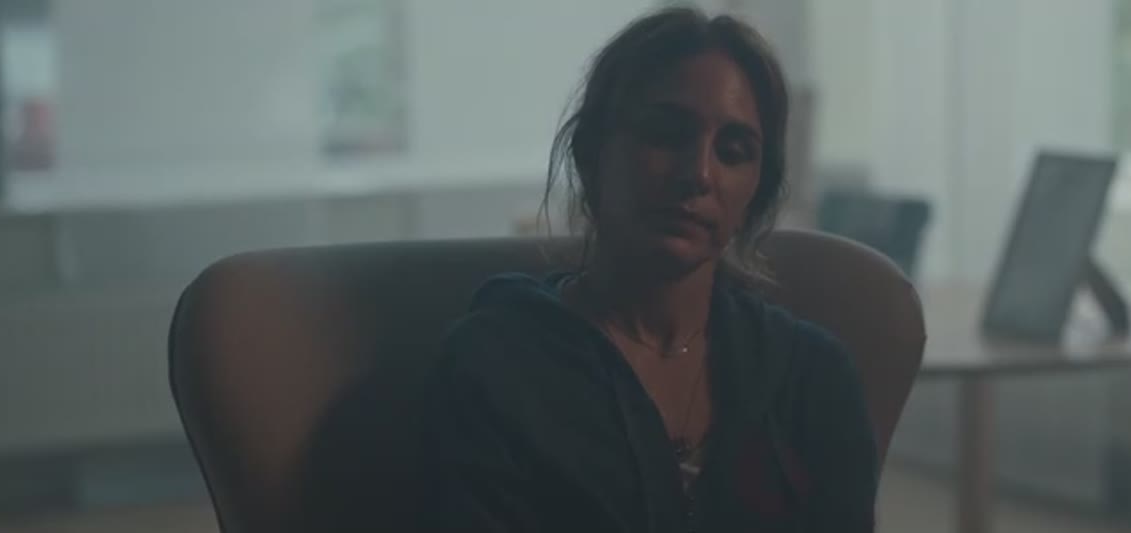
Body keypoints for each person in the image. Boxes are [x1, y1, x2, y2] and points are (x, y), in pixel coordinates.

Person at [301, 7, 877, 533]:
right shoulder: (499, 368)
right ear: (591, 153)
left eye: (733, 150)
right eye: (666, 133)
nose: (698, 174)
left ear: (756, 191)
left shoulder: (809, 376)